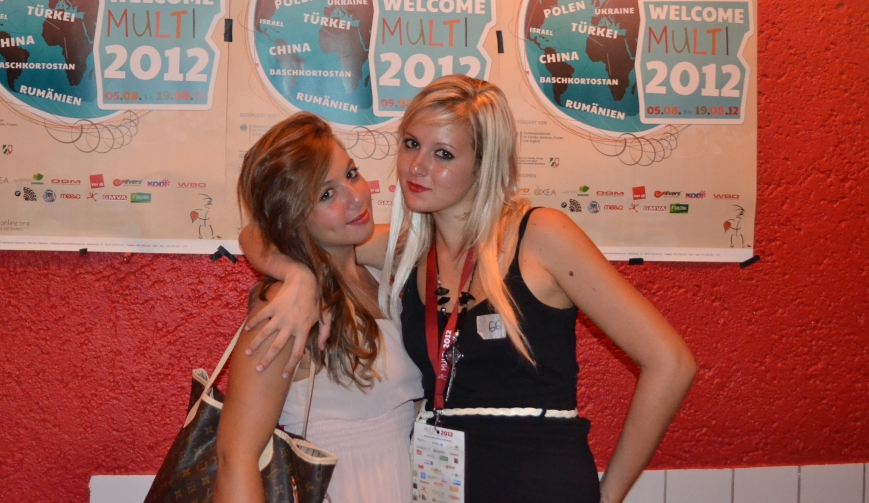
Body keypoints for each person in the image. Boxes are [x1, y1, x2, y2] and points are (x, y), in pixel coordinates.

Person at [240, 76, 696, 503]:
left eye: (444, 154)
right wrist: (297, 276)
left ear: (482, 165)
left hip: (541, 486)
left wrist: (608, 495)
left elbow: (671, 363)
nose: (417, 167)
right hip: (442, 488)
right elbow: (266, 230)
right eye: (412, 144)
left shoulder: (540, 237)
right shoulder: (407, 249)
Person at [215, 113, 422, 503]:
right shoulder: (286, 307)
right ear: (293, 216)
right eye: (326, 195)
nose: (356, 197)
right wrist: (297, 274)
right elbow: (235, 457)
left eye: (352, 174)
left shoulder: (378, 274)